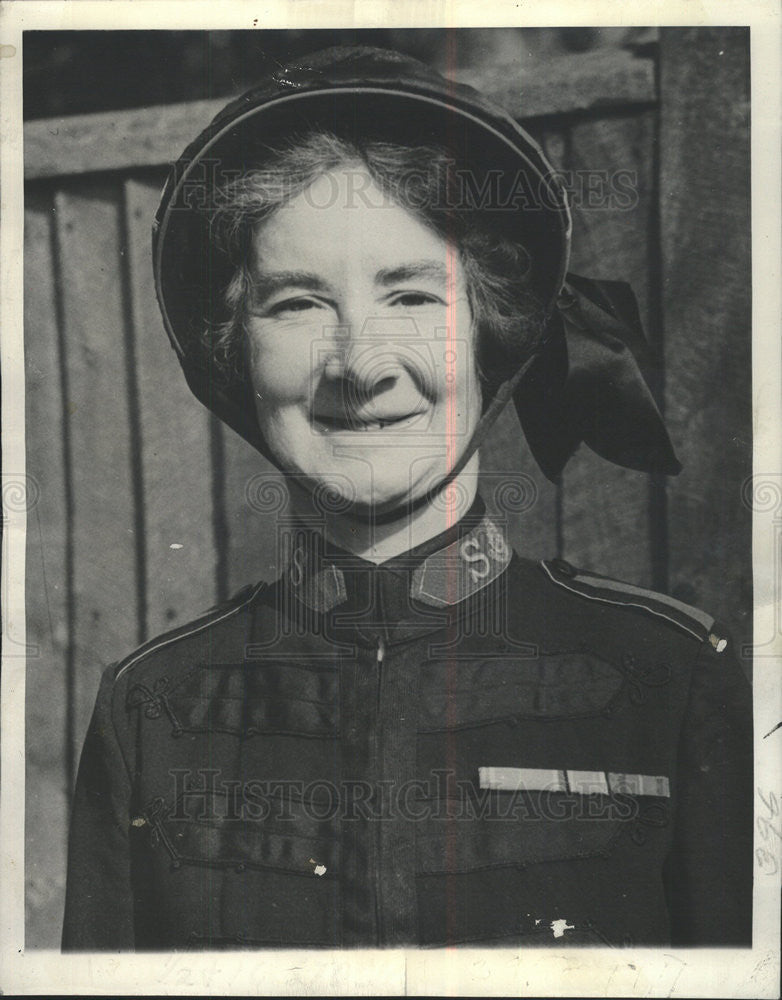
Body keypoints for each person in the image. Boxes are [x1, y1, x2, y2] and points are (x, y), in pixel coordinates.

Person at [62, 45, 752, 950]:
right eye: (298, 304)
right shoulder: (151, 711)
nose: (361, 364)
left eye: (412, 296)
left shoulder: (670, 679)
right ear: (236, 351)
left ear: (490, 329)